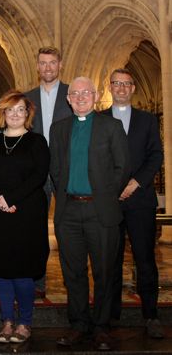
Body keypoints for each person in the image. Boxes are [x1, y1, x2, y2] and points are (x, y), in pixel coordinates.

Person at [50, 77, 130, 351]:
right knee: (73, 272)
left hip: (100, 210)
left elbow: (122, 166)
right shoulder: (59, 129)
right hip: (69, 210)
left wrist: (106, 195)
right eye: (75, 93)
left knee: (104, 271)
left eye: (86, 93)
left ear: (95, 97)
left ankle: (102, 327)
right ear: (68, 99)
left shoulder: (112, 126)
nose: (81, 97)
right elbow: (56, 169)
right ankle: (78, 325)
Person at [0, 91, 49, 343]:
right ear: (3, 113)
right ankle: (7, 321)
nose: (16, 114)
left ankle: (24, 323)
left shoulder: (37, 142)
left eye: (21, 110)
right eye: (11, 110)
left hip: (27, 213)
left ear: (27, 114)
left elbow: (39, 176)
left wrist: (12, 198)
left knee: (23, 268)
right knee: (2, 268)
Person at [103, 68, 164, 338]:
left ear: (133, 88)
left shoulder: (147, 120)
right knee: (110, 261)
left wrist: (135, 183)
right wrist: (114, 187)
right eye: (117, 84)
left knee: (145, 259)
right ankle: (112, 315)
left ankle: (151, 315)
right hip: (110, 201)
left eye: (127, 84)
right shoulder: (98, 119)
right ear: (110, 87)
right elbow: (95, 160)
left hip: (140, 200)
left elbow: (155, 156)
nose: (121, 88)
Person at [25, 46, 72, 299]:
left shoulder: (72, 94)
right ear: (37, 67)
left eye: (52, 63)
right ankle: (37, 282)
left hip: (65, 171)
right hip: (36, 173)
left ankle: (71, 281)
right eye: (43, 63)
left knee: (68, 229)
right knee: (35, 230)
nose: (48, 68)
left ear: (60, 65)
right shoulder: (27, 97)